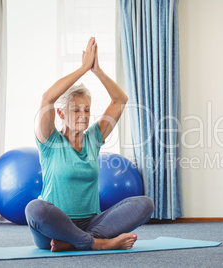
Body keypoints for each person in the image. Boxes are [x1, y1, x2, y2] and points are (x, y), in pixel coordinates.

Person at [25, 37, 154, 252]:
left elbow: (120, 100)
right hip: (53, 228)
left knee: (145, 204)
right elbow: (47, 98)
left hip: (92, 224)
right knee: (34, 209)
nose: (83, 115)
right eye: (76, 110)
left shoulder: (93, 138)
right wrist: (83, 68)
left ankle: (78, 241)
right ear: (60, 113)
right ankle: (98, 244)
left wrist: (97, 71)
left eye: (86, 109)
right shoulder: (49, 141)